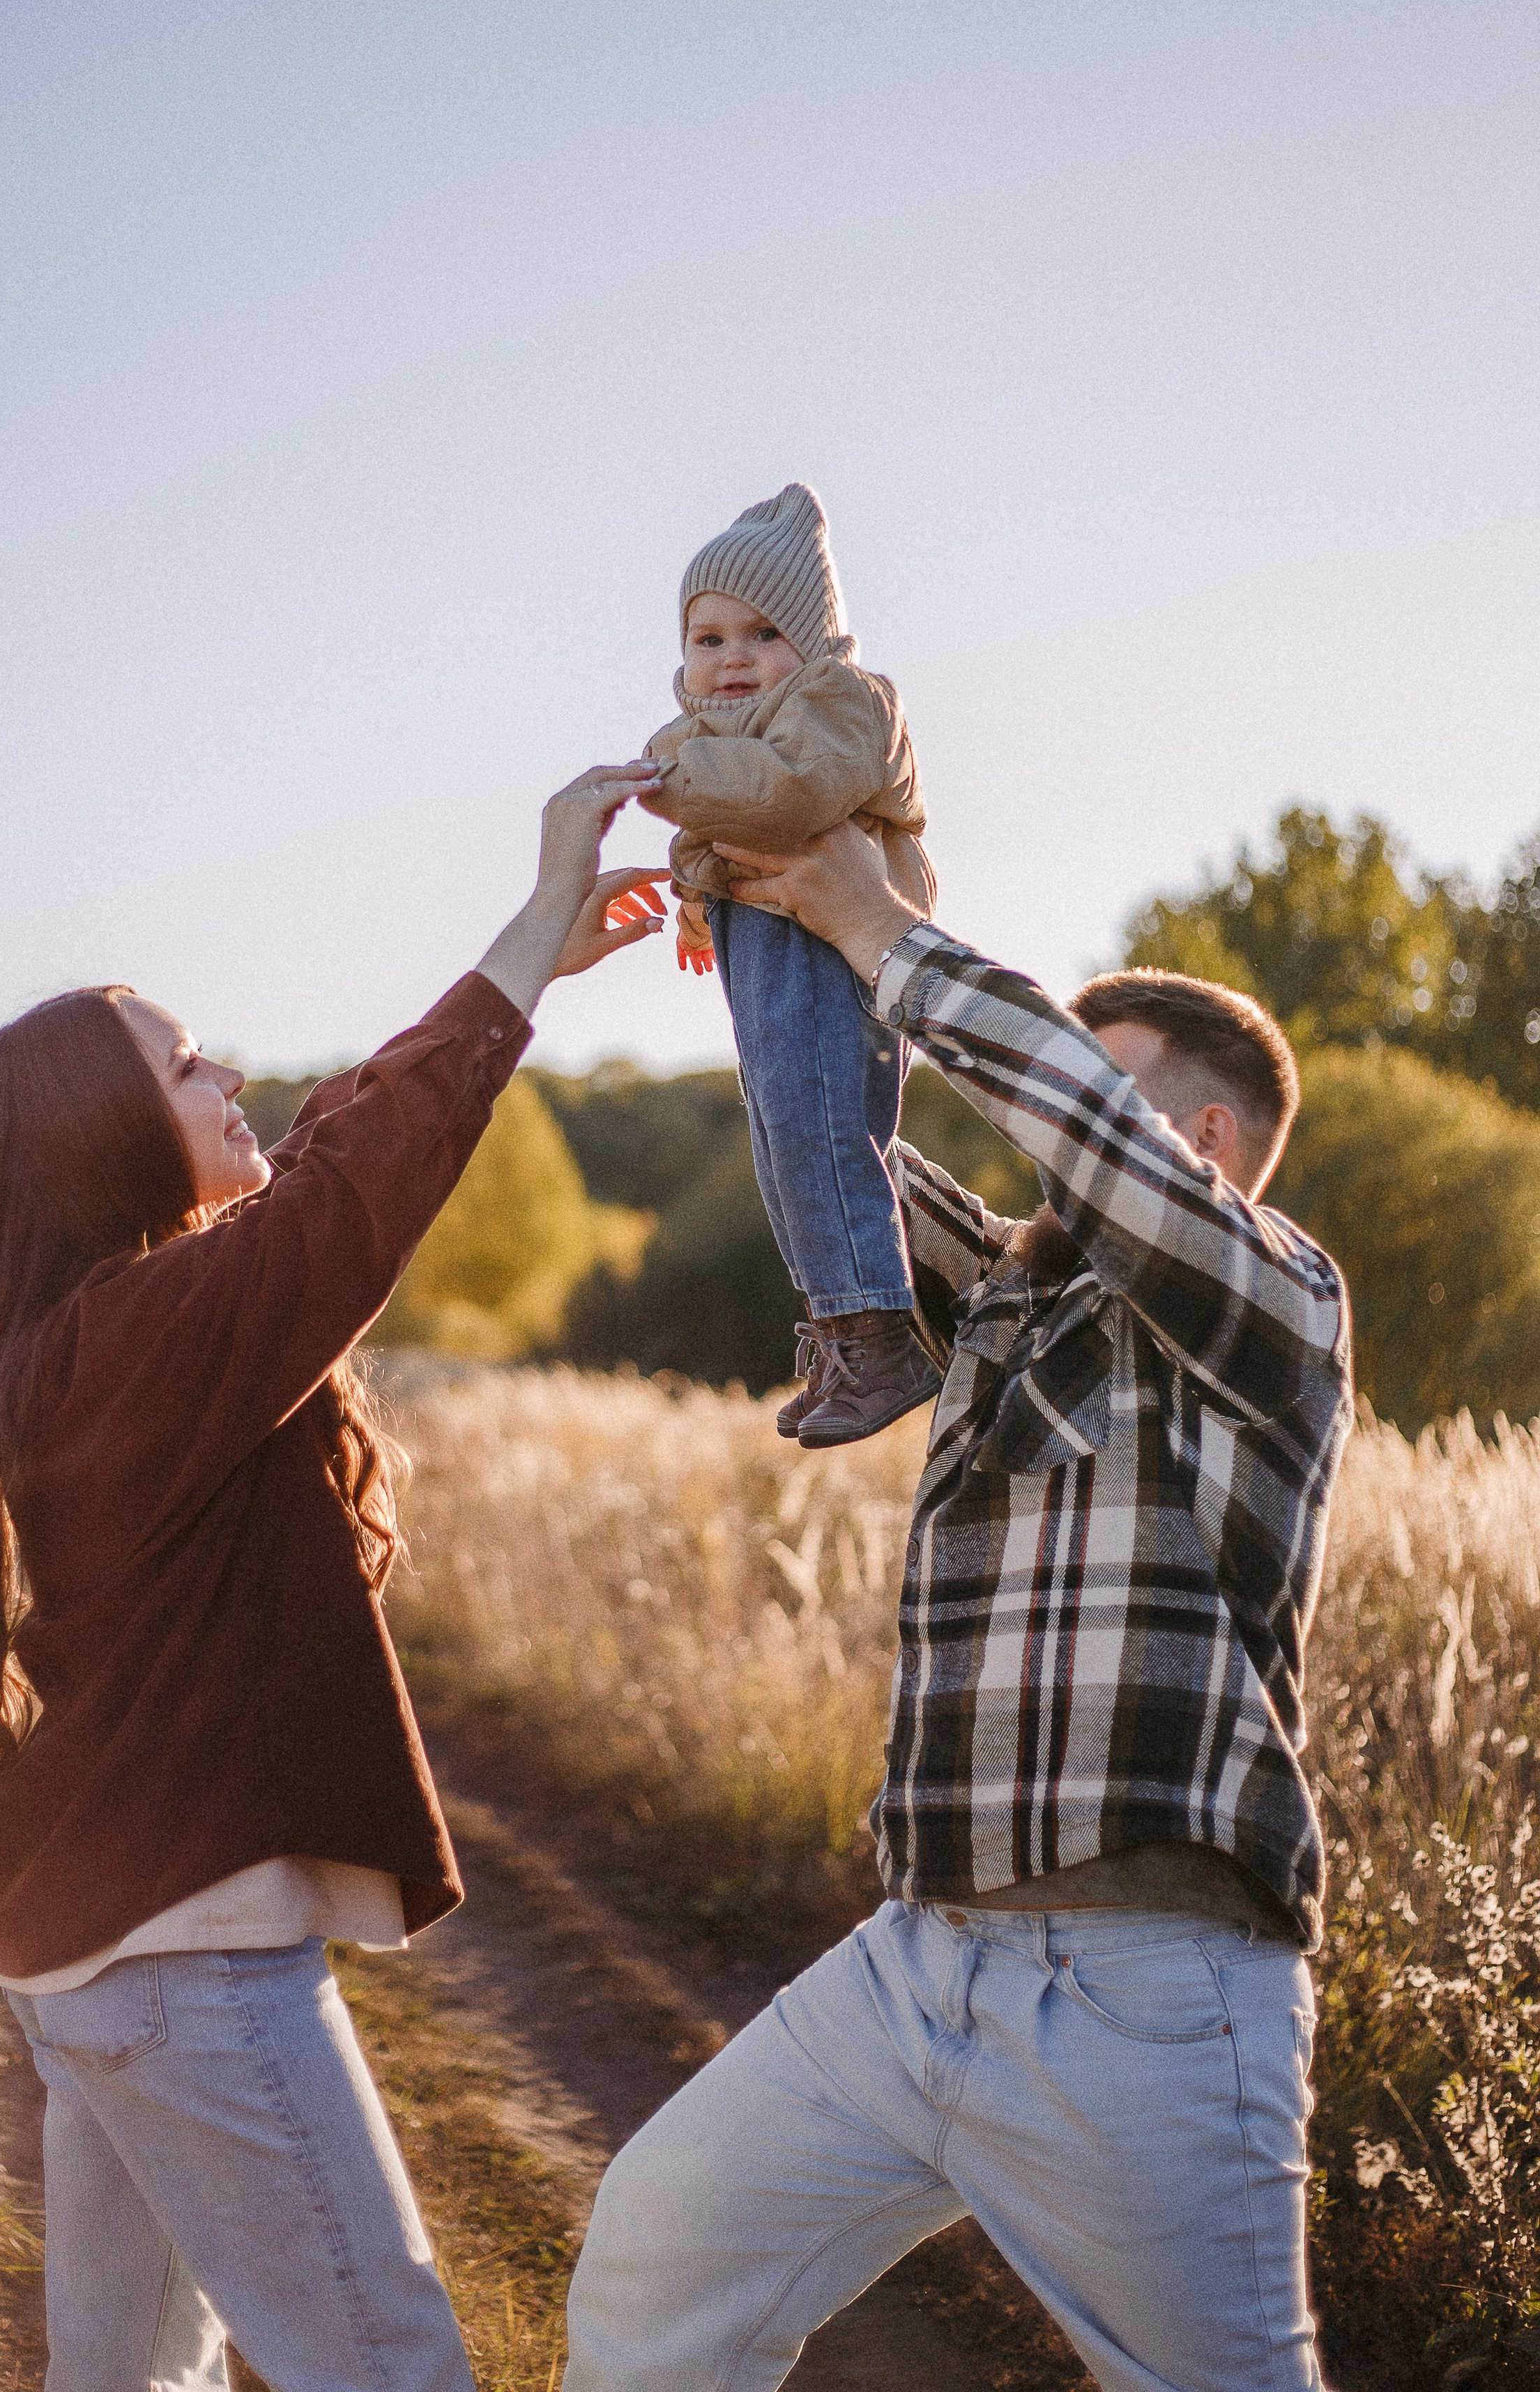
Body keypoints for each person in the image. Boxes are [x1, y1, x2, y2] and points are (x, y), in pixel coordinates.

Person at [0, 765, 668, 2392]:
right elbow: (356, 1190)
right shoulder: (141, 1336)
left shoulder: (105, 1332)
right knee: (384, 2363)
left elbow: (322, 1159)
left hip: (104, 1946)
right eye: (186, 1065)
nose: (228, 1071)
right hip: (181, 1960)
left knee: (121, 2384)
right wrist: (531, 929)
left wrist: (522, 964)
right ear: (112, 1136)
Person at [565, 818, 1354, 2392]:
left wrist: (885, 934)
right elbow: (830, 1148)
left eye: (1099, 1087)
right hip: (915, 1954)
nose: (1047, 1133)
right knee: (655, 2255)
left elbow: (1057, 1110)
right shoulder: (1006, 1291)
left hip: (1147, 1991)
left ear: (1199, 1141)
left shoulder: (1272, 1305)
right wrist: (790, 922)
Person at [641, 482, 940, 1445]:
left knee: (821, 1130)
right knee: (780, 1143)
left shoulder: (845, 703)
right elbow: (715, 838)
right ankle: (836, 1325)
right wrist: (695, 901)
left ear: (814, 640)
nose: (732, 658)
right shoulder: (714, 738)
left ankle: (882, 1335)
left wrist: (670, 778)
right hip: (764, 953)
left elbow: (783, 799)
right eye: (709, 638)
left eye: (761, 633)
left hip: (837, 949)